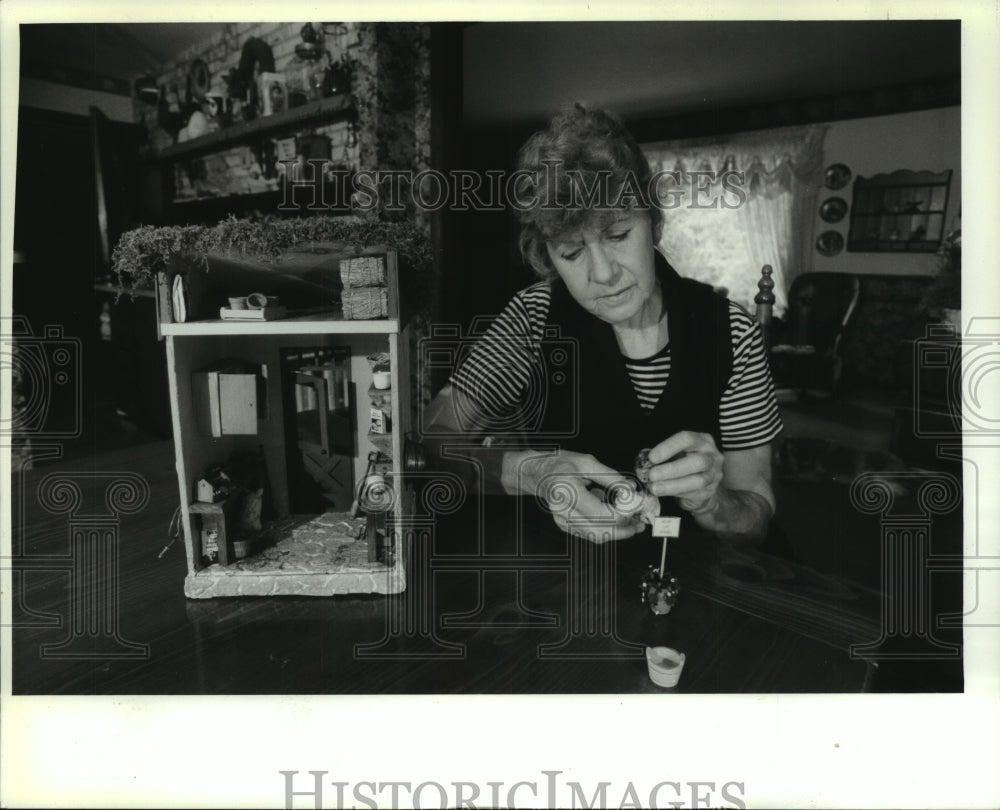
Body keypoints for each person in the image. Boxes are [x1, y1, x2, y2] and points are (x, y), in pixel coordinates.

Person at [424, 104, 781, 543]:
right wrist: (529, 472)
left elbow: (756, 520)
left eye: (617, 235)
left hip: (702, 585)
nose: (604, 274)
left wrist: (714, 502)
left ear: (653, 221)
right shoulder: (532, 319)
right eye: (571, 252)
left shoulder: (733, 333)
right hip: (572, 582)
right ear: (547, 255)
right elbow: (431, 440)